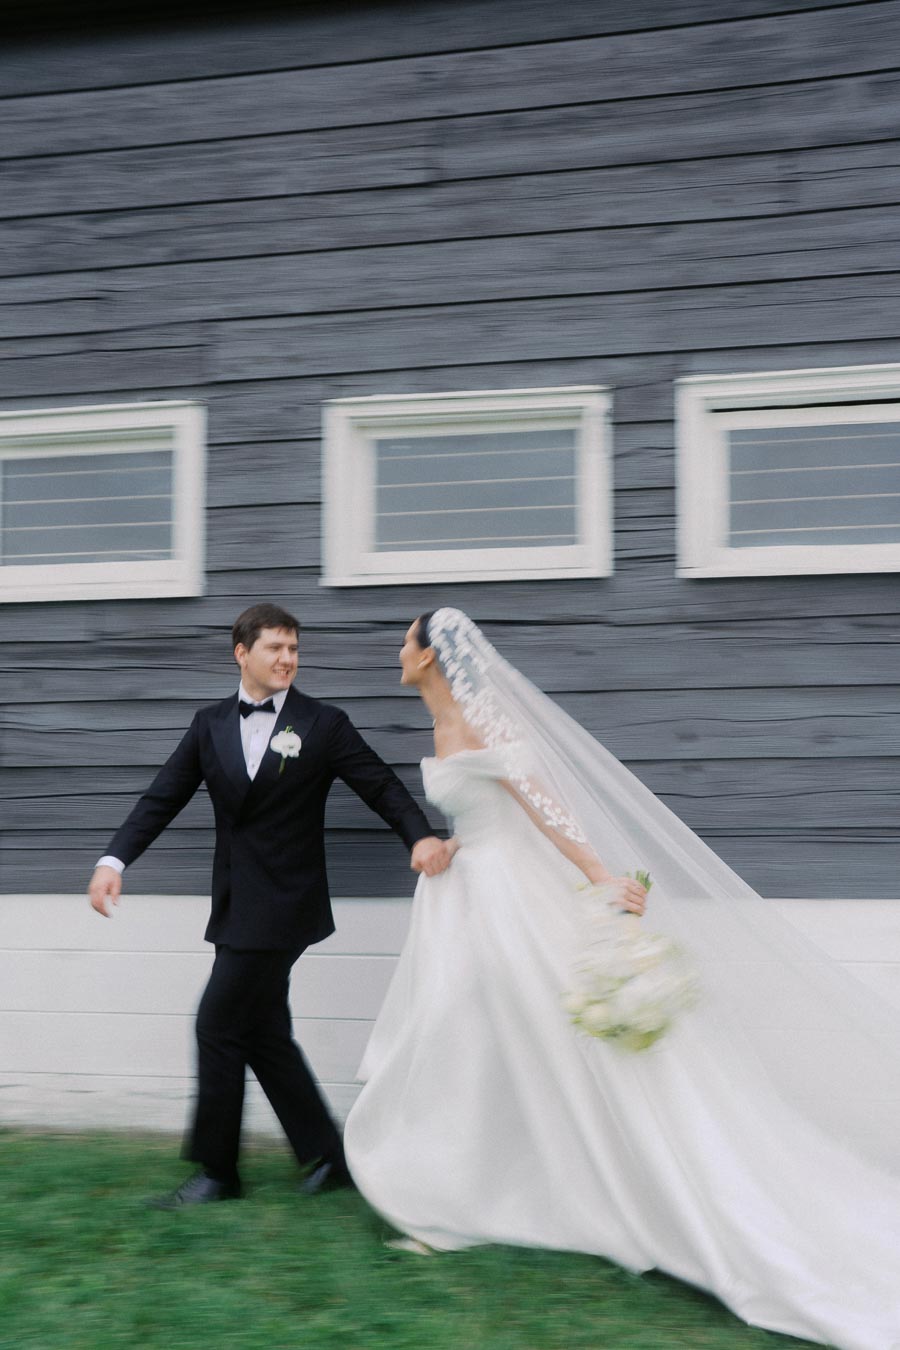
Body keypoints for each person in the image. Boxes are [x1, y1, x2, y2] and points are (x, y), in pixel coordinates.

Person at [344, 607, 900, 1350]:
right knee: (467, 1039)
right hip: (470, 900)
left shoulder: (477, 722)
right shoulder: (446, 725)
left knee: (502, 1040)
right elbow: (483, 817)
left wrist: (602, 878)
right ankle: (461, 1191)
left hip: (513, 908)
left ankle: (520, 1191)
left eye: (405, 645)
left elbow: (546, 810)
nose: (398, 656)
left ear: (431, 657)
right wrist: (446, 845)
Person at [87, 602, 453, 1208]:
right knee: (263, 1033)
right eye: (275, 648)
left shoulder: (322, 723)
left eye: (294, 649)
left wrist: (418, 835)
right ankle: (328, 1158)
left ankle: (218, 1173)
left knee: (217, 1023)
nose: (287, 659)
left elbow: (380, 784)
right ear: (242, 653)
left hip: (287, 905)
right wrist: (114, 861)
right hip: (235, 904)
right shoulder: (208, 725)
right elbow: (163, 796)